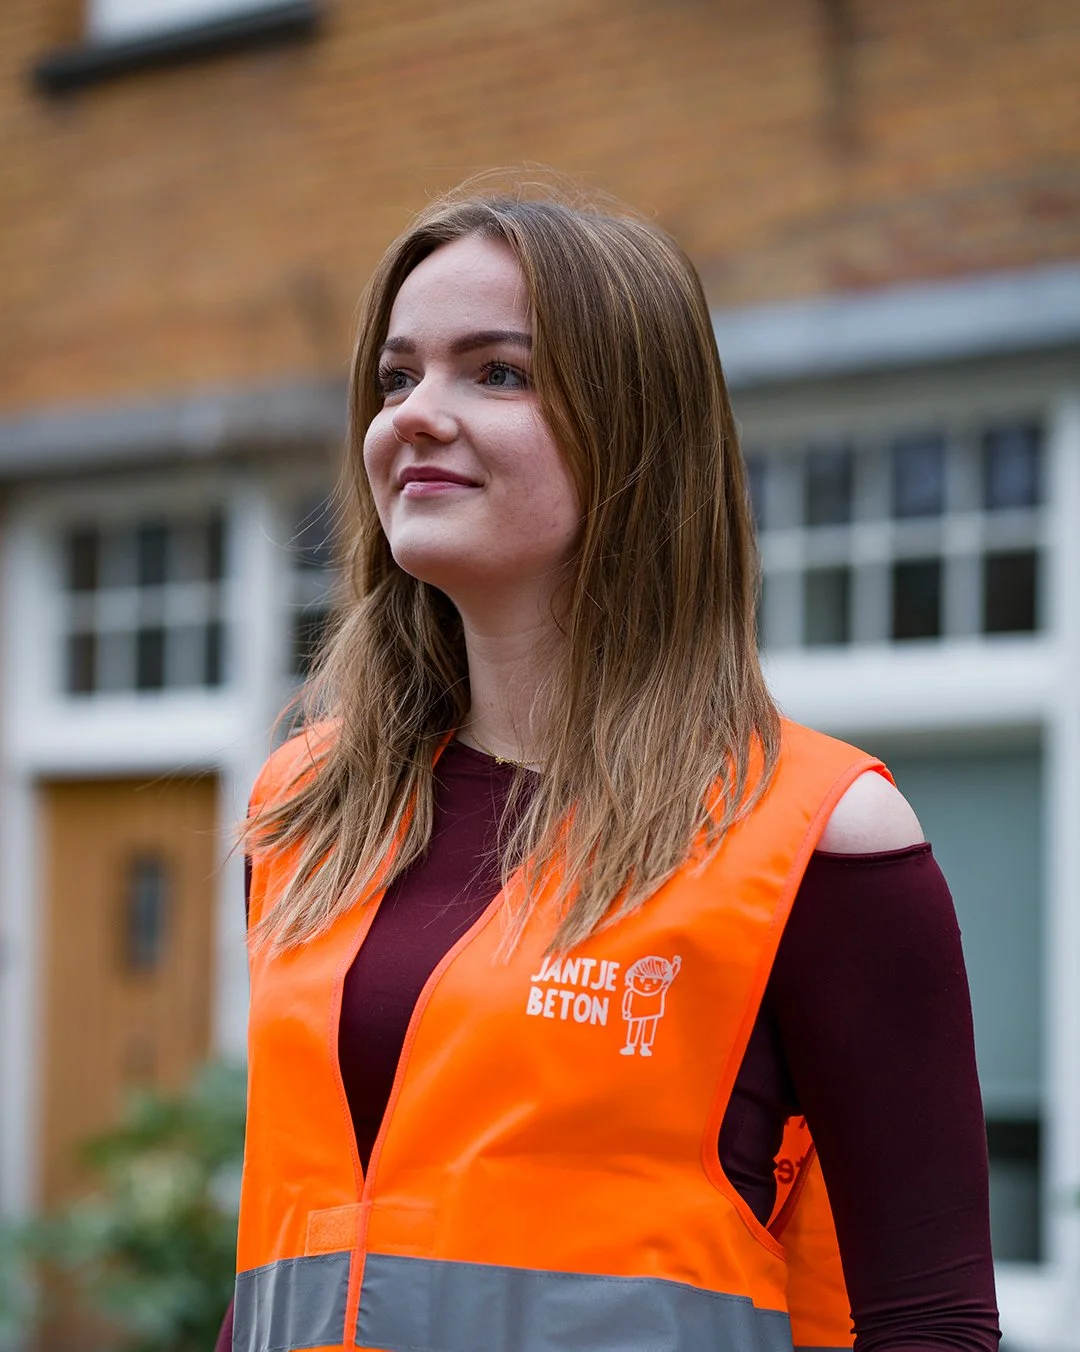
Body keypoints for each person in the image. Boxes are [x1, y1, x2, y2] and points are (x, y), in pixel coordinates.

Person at [217, 185, 1001, 1352]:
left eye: (496, 372)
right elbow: (291, 1256)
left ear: (636, 430)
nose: (413, 417)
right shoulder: (305, 808)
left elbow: (928, 1319)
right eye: (395, 377)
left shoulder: (816, 833)